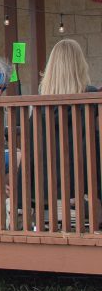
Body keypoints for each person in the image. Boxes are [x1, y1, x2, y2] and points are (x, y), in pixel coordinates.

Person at [38, 39, 99, 217]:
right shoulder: (91, 98)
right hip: (86, 181)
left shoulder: (40, 105)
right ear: (80, 65)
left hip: (48, 184)